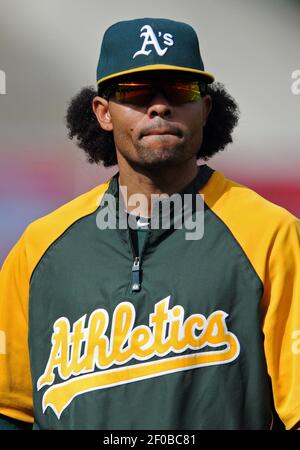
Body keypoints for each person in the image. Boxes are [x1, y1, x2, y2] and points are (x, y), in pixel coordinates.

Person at [0, 17, 299, 431]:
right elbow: (10, 411)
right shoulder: (40, 247)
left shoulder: (271, 234)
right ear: (103, 113)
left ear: (206, 108)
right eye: (137, 92)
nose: (159, 106)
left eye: (180, 89)